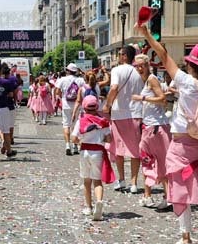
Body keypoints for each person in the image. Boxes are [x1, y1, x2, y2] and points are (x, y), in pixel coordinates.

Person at [137, 26, 198, 244]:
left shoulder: (185, 82)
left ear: (191, 65)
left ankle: (185, 236)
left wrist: (146, 34)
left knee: (179, 190)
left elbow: (163, 55)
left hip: (182, 143)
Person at [104, 45, 145, 194]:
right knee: (135, 150)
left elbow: (114, 87)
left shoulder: (116, 70)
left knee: (118, 149)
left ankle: (121, 180)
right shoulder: (138, 72)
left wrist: (107, 105)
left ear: (124, 56)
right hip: (136, 113)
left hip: (119, 113)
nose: (117, 56)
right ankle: (134, 183)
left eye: (119, 54)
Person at [133, 54, 172, 211]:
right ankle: (148, 195)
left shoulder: (151, 79)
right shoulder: (146, 80)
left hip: (156, 127)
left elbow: (162, 98)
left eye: (142, 65)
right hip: (151, 126)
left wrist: (142, 98)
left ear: (148, 65)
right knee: (148, 160)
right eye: (137, 66)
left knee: (159, 161)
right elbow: (163, 97)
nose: (139, 68)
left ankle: (167, 196)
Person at [72, 95, 112, 221]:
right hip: (98, 152)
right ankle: (99, 201)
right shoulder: (104, 122)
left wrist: (79, 141)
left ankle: (88, 207)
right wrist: (101, 138)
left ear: (84, 106)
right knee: (97, 181)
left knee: (86, 181)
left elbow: (74, 137)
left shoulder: (81, 120)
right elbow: (109, 139)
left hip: (85, 151)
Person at [55, 65, 86, 155]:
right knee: (76, 125)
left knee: (66, 125)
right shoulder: (80, 80)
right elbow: (85, 89)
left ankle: (67, 145)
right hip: (78, 105)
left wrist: (63, 97)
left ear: (67, 71)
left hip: (66, 105)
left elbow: (57, 91)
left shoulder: (62, 79)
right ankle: (75, 146)